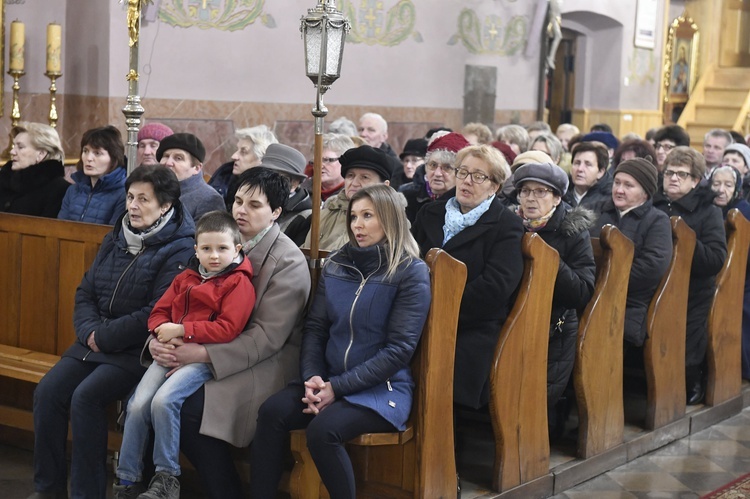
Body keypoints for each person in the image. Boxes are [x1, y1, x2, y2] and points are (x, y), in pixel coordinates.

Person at [250, 184, 431, 499]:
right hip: (328, 381)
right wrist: (313, 378)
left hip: (381, 389)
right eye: (353, 217)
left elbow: (399, 350)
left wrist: (338, 388)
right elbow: (316, 328)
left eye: (367, 216)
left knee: (323, 431)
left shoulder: (409, 272)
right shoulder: (337, 263)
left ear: (390, 220)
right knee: (271, 411)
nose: (357, 225)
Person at [30, 165, 195, 499]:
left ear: (165, 205)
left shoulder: (180, 247)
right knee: (47, 392)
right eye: (130, 197)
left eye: (143, 199)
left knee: (85, 397)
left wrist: (103, 337)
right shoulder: (117, 234)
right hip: (92, 342)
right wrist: (91, 331)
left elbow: (155, 311)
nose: (132, 205)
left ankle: (85, 494)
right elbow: (86, 291)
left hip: (134, 351)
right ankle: (47, 489)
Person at [147, 167, 310, 497]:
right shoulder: (219, 244)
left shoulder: (288, 261)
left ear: (276, 212)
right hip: (215, 345)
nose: (241, 210)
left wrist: (202, 353)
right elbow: (180, 303)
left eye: (254, 205)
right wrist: (159, 340)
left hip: (265, 362)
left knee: (191, 410)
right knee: (149, 397)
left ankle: (225, 490)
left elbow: (267, 337)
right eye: (237, 200)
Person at [114, 211, 254, 499]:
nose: (214, 256)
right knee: (137, 405)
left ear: (237, 249)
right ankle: (127, 479)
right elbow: (158, 312)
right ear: (196, 250)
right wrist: (158, 333)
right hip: (170, 350)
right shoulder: (186, 277)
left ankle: (167, 478)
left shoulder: (239, 283)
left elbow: (228, 328)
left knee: (164, 401)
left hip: (204, 355)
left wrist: (181, 330)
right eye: (206, 249)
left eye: (222, 248)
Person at [412, 144, 524, 409]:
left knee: (443, 369)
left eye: (479, 176)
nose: (467, 181)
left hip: (470, 325)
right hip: (417, 314)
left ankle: (445, 438)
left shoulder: (506, 226)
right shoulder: (431, 212)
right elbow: (408, 260)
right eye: (462, 172)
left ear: (494, 186)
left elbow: (496, 287)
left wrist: (441, 310)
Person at [512, 162, 596, 437]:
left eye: (540, 192)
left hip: (554, 327)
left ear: (557, 198)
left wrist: (548, 259)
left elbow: (582, 291)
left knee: (531, 402)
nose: (531, 199)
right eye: (525, 191)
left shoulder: (571, 231)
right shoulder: (511, 225)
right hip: (512, 319)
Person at [654, 146, 727, 404]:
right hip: (657, 284)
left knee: (688, 332)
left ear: (696, 181)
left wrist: (684, 240)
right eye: (669, 173)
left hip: (692, 289)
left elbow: (717, 258)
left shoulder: (708, 210)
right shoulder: (655, 203)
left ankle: (690, 378)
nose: (673, 178)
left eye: (682, 175)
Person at [590, 158, 672, 350]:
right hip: (589, 296)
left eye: (628, 185)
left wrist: (606, 281)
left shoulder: (657, 221)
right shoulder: (596, 210)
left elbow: (653, 266)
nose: (619, 190)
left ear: (645, 191)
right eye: (617, 182)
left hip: (629, 305)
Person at [303, 145, 392, 251]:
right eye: (350, 176)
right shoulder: (324, 215)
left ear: (385, 185)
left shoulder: (391, 218)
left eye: (365, 177)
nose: (354, 183)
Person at [708, 166, 750, 382]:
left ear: (737, 189)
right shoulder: (705, 208)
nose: (721, 190)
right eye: (716, 184)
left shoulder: (744, 212)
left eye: (728, 185)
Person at [58, 125, 127, 225]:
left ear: (113, 158)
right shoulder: (73, 191)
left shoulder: (123, 194)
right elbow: (59, 228)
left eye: (97, 153)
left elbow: (113, 236)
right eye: (85, 151)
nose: (88, 158)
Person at [0, 122, 69, 217]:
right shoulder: (5, 180)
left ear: (41, 154)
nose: (12, 152)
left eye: (20, 147)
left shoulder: (59, 189)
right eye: (14, 146)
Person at [401, 132, 470, 223]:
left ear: (461, 173)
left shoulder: (467, 206)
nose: (437, 173)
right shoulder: (407, 199)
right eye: (433, 165)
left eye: (447, 167)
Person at [157, 133, 226, 223]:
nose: (168, 162)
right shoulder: (152, 190)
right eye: (166, 156)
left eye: (178, 158)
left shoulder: (209, 199)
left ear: (197, 168)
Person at [256, 144, 313, 246]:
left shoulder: (305, 217)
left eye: (276, 178)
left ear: (294, 183)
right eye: (263, 174)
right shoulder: (252, 200)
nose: (265, 181)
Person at [208, 125, 278, 206]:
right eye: (237, 150)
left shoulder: (273, 191)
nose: (234, 156)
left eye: (243, 152)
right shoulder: (222, 177)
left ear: (261, 158)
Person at [563, 141, 612, 211]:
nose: (580, 169)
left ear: (600, 172)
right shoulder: (561, 193)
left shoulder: (610, 200)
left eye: (588, 164)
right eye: (577, 163)